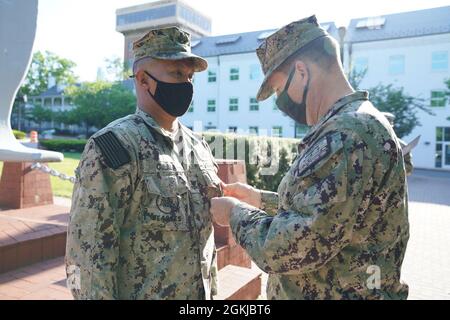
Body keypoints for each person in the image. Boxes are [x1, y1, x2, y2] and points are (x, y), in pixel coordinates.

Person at [210, 16, 410, 300]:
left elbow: (294, 247)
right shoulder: (355, 123)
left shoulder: (346, 135)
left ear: (301, 72)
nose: (281, 104)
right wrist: (258, 200)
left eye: (279, 90)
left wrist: (234, 213)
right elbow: (329, 210)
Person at [66, 27, 222, 300]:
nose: (186, 85)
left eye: (189, 76)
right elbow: (88, 253)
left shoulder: (199, 147)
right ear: (143, 80)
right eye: (176, 74)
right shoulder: (115, 146)